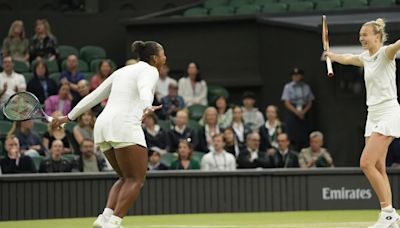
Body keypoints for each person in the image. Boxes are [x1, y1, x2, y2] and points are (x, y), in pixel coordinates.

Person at [51, 40, 166, 228]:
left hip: (103, 126)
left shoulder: (121, 71)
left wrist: (68, 117)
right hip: (124, 125)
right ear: (154, 58)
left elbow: (94, 96)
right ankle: (114, 222)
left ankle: (105, 217)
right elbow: (145, 88)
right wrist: (147, 105)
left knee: (125, 178)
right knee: (136, 179)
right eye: (163, 54)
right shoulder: (151, 70)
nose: (165, 58)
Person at [325, 18, 400, 227]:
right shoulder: (365, 58)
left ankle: (387, 212)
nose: (361, 38)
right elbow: (348, 58)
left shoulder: (386, 53)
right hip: (372, 115)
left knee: (365, 163)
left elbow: (396, 45)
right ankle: (391, 217)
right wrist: (332, 56)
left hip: (388, 113)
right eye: (360, 35)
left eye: (365, 34)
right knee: (378, 167)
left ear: (377, 36)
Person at [281, 68, 315, 152]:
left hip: (304, 113)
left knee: (304, 135)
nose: (295, 77)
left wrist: (304, 111)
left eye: (297, 75)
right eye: (294, 75)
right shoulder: (288, 87)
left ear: (301, 76)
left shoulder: (306, 87)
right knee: (293, 135)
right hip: (293, 112)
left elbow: (310, 101)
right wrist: (296, 112)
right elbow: (286, 102)